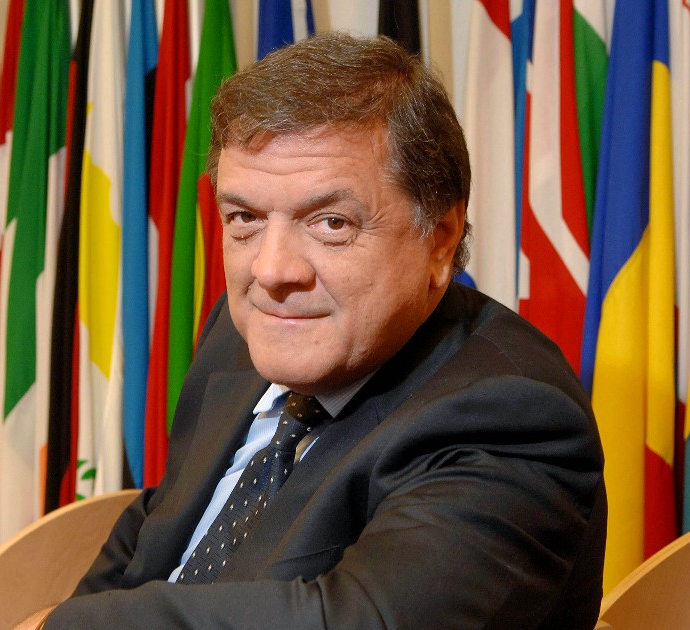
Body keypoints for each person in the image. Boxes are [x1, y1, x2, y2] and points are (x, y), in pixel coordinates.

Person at [37, 32, 606, 629]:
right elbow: (158, 530)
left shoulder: (510, 416)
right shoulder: (247, 332)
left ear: (439, 240)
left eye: (331, 223)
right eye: (245, 218)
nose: (271, 271)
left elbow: (360, 622)